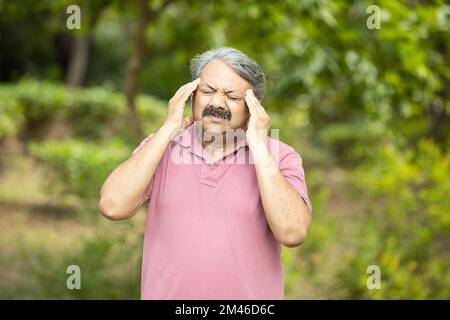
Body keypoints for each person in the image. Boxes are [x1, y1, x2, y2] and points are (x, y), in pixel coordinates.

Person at [99, 47, 312, 299]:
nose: (216, 103)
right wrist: (167, 129)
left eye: (232, 96)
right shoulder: (161, 147)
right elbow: (112, 206)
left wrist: (258, 145)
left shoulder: (279, 157)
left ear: (253, 107)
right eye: (207, 91)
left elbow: (292, 232)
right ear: (192, 95)